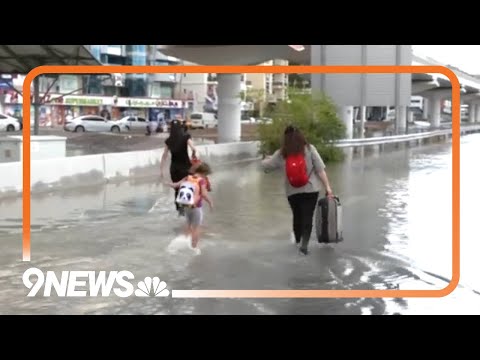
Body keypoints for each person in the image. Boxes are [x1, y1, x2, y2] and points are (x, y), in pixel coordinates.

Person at [261, 125, 334, 255]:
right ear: (301, 137)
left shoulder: (282, 153)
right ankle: (304, 246)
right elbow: (320, 170)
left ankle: (297, 242)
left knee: (297, 216)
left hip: (292, 191)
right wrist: (328, 188)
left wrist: (264, 160)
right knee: (307, 217)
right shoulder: (310, 149)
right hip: (311, 189)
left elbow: (267, 167)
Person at [165, 162, 214, 251]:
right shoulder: (201, 181)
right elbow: (203, 194)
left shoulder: (188, 177)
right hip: (196, 207)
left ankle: (185, 241)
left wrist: (168, 183)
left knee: (189, 225)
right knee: (196, 228)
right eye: (206, 175)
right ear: (204, 173)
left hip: (186, 206)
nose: (206, 177)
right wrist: (210, 202)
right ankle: (194, 247)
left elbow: (176, 185)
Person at [160, 119, 197, 216]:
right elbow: (193, 148)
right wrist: (193, 153)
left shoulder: (168, 140)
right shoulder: (186, 136)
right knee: (188, 188)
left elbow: (164, 155)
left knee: (177, 189)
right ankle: (189, 212)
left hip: (174, 169)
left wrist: (161, 169)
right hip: (185, 168)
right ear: (180, 127)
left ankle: (180, 211)